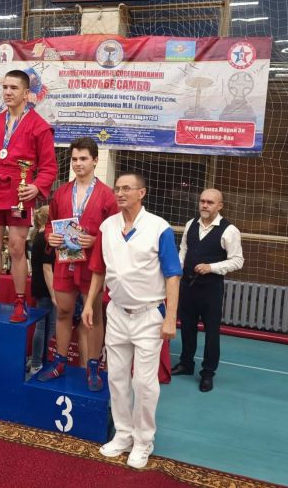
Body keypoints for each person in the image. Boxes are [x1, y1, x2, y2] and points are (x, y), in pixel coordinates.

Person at [81, 172, 181, 469]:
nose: (120, 193)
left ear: (142, 193)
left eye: (127, 188)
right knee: (116, 377)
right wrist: (89, 303)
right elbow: (98, 270)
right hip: (117, 313)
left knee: (144, 382)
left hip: (149, 315)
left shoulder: (159, 228)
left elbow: (173, 276)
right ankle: (123, 434)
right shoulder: (107, 227)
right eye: (117, 188)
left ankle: (143, 440)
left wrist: (171, 318)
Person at [0, 70, 57, 323]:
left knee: (16, 246)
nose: (7, 92)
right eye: (5, 87)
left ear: (26, 93)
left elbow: (49, 168)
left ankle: (20, 301)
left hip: (20, 192)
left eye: (13, 88)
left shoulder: (39, 126)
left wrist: (36, 187)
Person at [40, 137, 118, 391]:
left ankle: (94, 367)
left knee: (93, 315)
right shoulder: (62, 192)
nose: (78, 163)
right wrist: (49, 237)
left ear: (95, 161)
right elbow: (50, 224)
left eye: (83, 159)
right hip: (65, 261)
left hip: (93, 266)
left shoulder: (107, 196)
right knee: (63, 312)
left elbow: (115, 232)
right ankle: (59, 362)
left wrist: (95, 241)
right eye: (74, 159)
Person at [172, 188, 243, 392]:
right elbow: (184, 249)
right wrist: (178, 268)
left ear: (220, 206)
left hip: (211, 289)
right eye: (202, 201)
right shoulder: (190, 224)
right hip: (188, 286)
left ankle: (208, 373)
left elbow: (238, 261)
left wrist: (211, 267)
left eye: (210, 202)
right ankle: (186, 364)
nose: (204, 205)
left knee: (212, 332)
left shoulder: (230, 230)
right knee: (187, 327)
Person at [28, 205, 56, 375]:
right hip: (46, 287)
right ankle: (38, 362)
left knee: (43, 325)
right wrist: (54, 294)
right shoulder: (45, 238)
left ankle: (38, 360)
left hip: (40, 284)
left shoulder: (37, 236)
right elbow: (47, 269)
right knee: (46, 326)